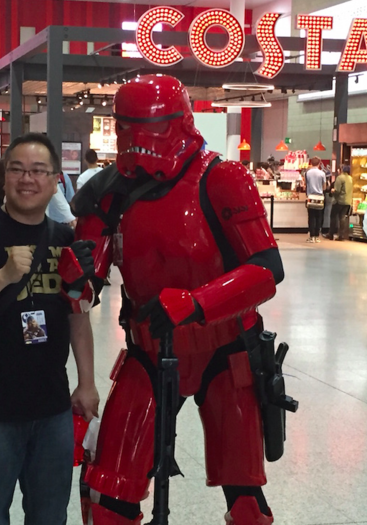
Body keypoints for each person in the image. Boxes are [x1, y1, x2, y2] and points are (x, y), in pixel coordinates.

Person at [72, 75, 289, 525]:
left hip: (226, 349)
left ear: (181, 124)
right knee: (110, 490)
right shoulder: (111, 190)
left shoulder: (224, 178)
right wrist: (80, 278)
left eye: (148, 129)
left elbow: (267, 269)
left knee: (246, 500)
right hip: (148, 350)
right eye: (126, 129)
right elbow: (88, 266)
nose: (137, 143)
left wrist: (197, 302)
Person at [0, 132, 99, 525]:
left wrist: (87, 382)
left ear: (55, 180)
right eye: (17, 170)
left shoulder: (65, 240)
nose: (27, 179)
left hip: (53, 408)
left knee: (50, 515)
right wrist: (5, 275)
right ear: (3, 177)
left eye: (38, 171)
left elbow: (77, 315)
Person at [327, 165, 354, 241]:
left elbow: (337, 190)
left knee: (333, 217)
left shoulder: (340, 178)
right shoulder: (350, 178)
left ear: (342, 170)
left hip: (339, 201)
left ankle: (331, 234)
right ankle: (341, 235)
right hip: (347, 201)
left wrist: (332, 191)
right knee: (342, 217)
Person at [305, 157, 327, 243]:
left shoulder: (307, 173)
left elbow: (306, 184)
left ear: (311, 163)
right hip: (320, 197)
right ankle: (317, 236)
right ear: (319, 163)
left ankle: (311, 236)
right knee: (319, 217)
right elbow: (324, 187)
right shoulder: (322, 173)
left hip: (310, 196)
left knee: (311, 217)